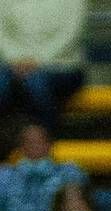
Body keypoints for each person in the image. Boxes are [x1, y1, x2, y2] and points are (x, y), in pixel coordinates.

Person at [0, 0, 86, 130]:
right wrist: (17, 59)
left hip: (62, 66)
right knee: (2, 84)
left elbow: (71, 33)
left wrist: (38, 61)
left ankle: (42, 141)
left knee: (36, 84)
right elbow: (2, 32)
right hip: (13, 64)